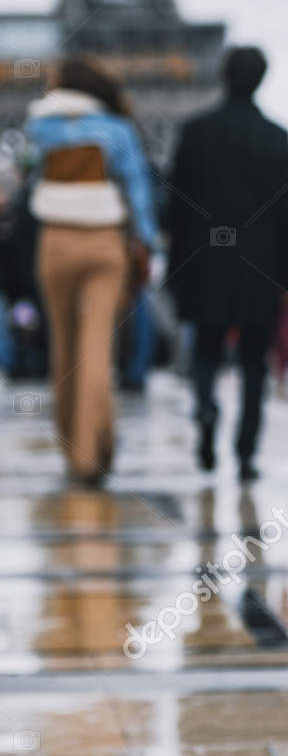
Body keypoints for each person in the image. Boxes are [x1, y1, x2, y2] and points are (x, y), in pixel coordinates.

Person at [165, 45, 288, 482]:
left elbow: (175, 207)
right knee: (253, 362)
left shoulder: (194, 131)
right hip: (259, 263)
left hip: (204, 258)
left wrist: (175, 266)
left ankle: (206, 409)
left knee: (206, 348)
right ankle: (245, 453)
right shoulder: (276, 136)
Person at [24, 56, 157, 485]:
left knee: (62, 349)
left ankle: (70, 449)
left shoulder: (38, 128)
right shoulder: (117, 131)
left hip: (56, 241)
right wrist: (147, 241)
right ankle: (93, 451)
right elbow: (138, 189)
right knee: (97, 348)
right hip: (105, 242)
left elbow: (21, 176)